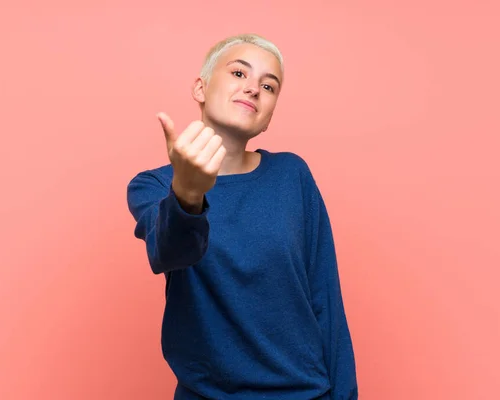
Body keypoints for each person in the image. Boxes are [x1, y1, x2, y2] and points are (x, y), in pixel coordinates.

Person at [127, 33, 358, 400]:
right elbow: (169, 252)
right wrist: (188, 194)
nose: (253, 89)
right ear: (201, 88)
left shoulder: (291, 175)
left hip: (305, 392)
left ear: (268, 116)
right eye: (238, 73)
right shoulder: (153, 185)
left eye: (269, 86)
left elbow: (324, 296)